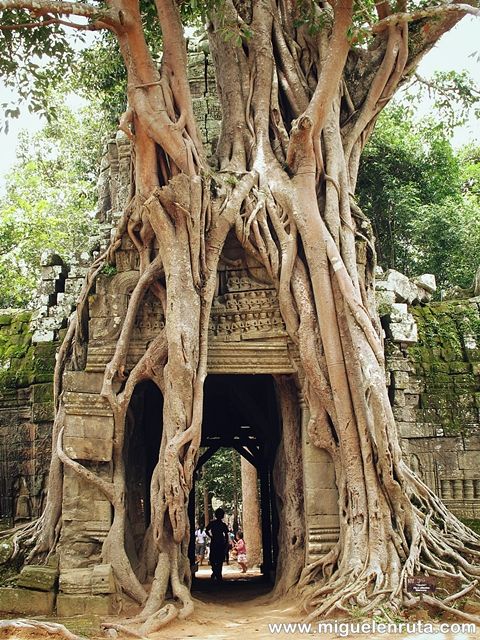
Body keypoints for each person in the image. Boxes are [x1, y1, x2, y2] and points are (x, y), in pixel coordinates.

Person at [206, 508, 229, 581]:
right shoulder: (223, 525)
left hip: (215, 541)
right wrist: (225, 542)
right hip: (220, 542)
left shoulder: (212, 523)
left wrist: (211, 537)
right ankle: (217, 572)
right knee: (219, 559)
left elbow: (206, 530)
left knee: (213, 558)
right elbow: (226, 534)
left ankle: (216, 572)